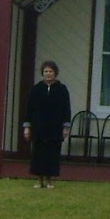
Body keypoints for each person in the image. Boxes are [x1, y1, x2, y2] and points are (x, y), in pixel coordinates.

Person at [22, 60, 71, 188]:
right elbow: (29, 109)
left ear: (55, 73)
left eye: (50, 71)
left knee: (52, 153)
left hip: (55, 127)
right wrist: (27, 127)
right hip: (39, 127)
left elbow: (67, 108)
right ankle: (39, 179)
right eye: (46, 71)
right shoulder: (36, 89)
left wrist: (66, 127)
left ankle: (50, 180)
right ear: (42, 73)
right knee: (38, 153)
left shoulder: (62, 89)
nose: (48, 74)